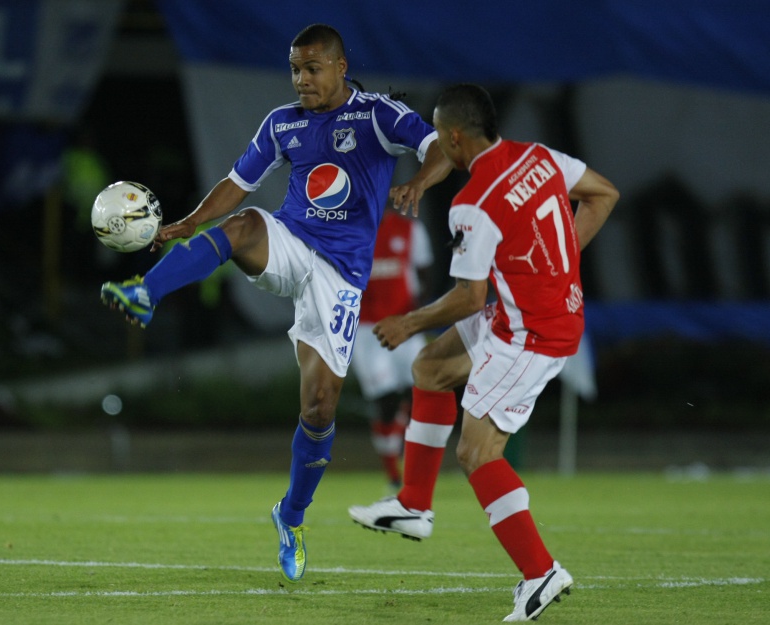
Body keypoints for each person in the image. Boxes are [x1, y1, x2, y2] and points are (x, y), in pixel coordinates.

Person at [100, 23, 451, 583]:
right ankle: (146, 292)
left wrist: (423, 183)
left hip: (340, 276)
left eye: (312, 69)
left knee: (320, 407)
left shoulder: (377, 115)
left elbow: (440, 147)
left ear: (340, 66)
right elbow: (239, 182)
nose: (301, 80)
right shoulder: (282, 122)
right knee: (242, 225)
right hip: (290, 242)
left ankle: (291, 516)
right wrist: (188, 223)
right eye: (294, 68)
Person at [347, 84, 619, 621]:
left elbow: (468, 297)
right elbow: (604, 194)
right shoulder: (539, 157)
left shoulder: (472, 204)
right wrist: (557, 262)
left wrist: (409, 321)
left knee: (476, 453)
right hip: (530, 312)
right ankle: (413, 505)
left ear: (452, 136)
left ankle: (540, 573)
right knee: (430, 367)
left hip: (531, 334)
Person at [350, 208, 433, 489]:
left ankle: (410, 466)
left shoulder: (410, 230)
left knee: (419, 394)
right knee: (385, 400)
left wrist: (420, 315)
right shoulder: (350, 232)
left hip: (406, 326)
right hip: (367, 330)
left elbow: (424, 274)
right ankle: (392, 473)